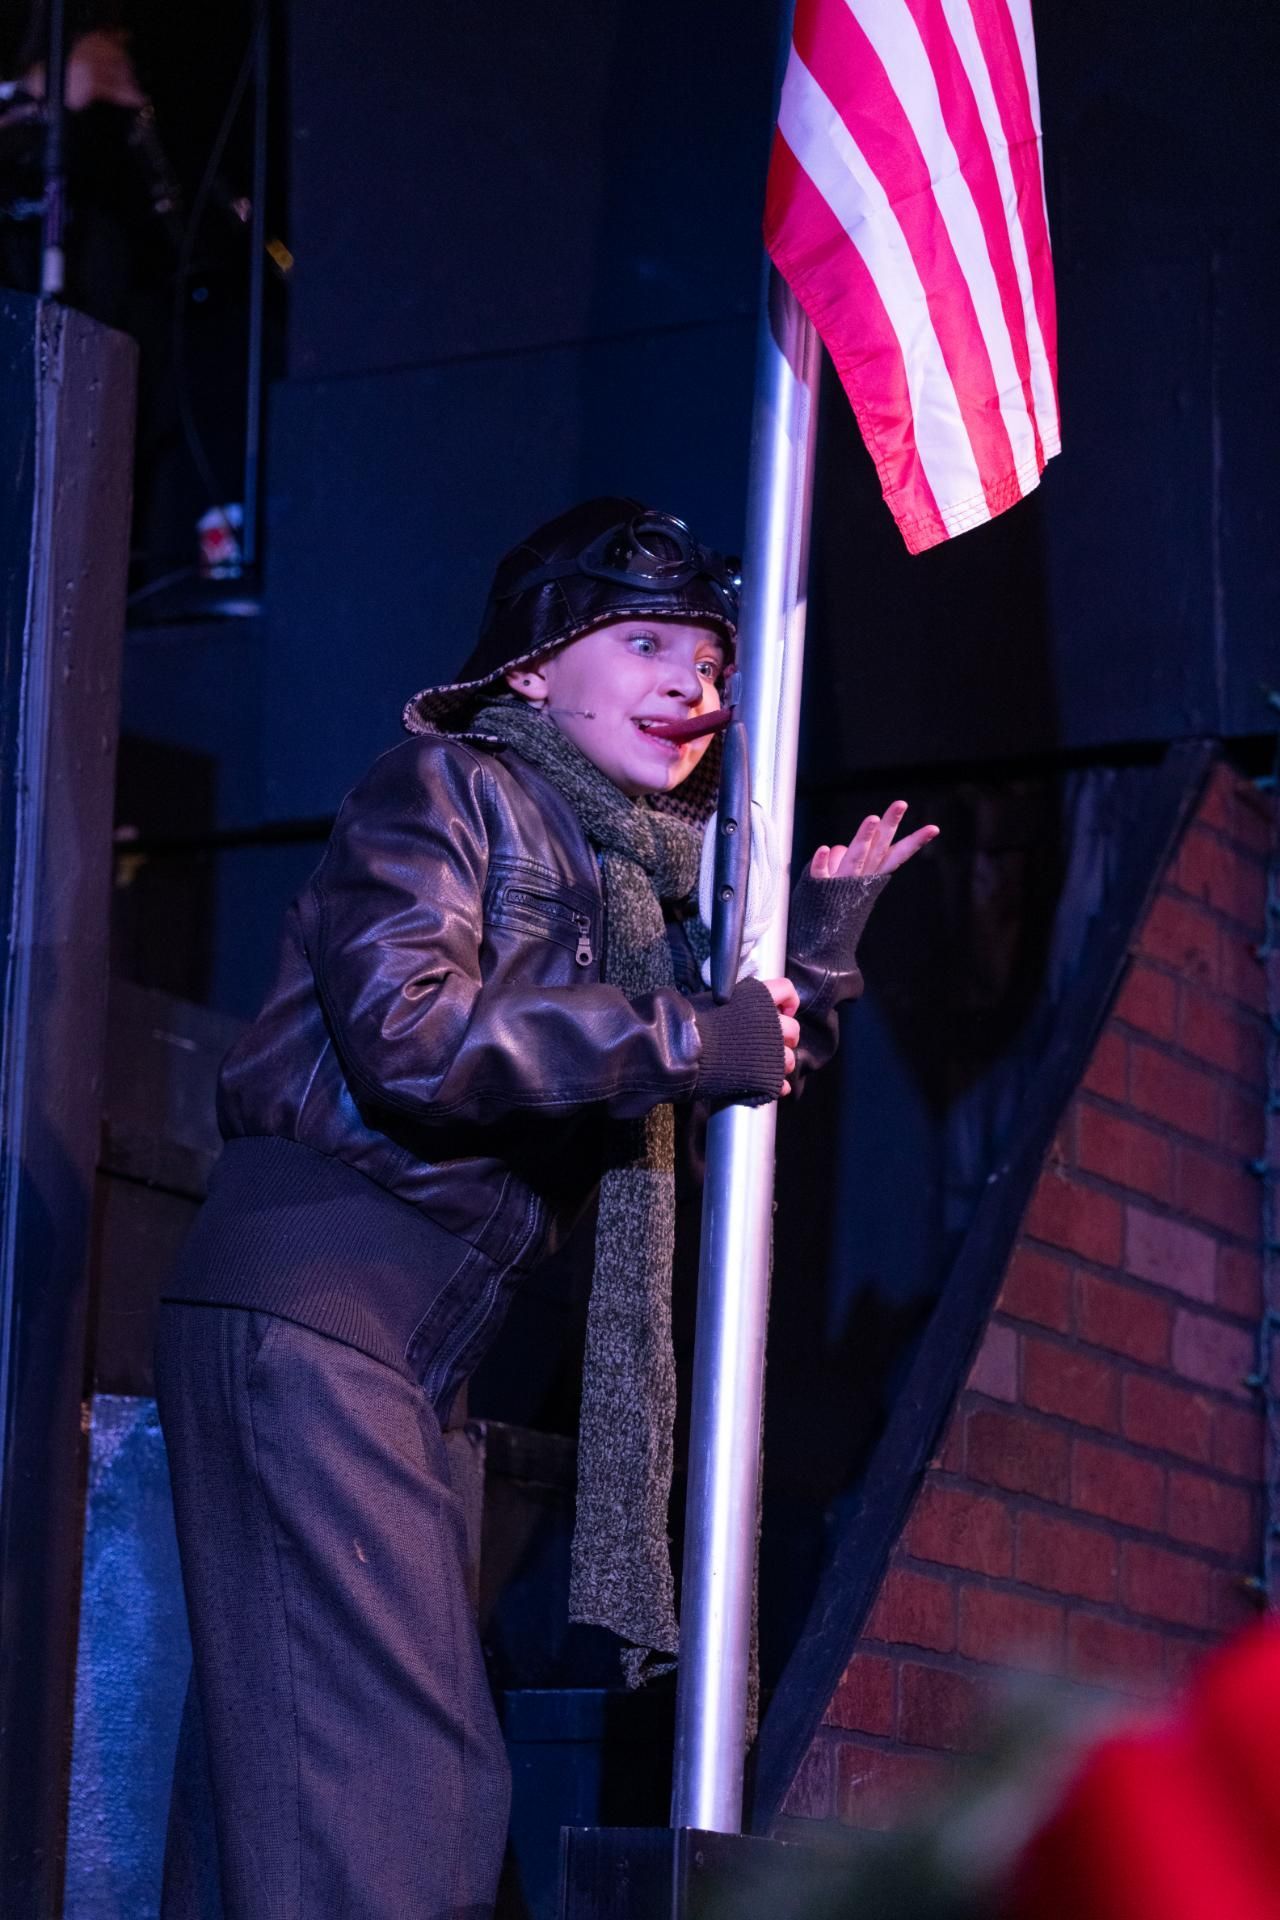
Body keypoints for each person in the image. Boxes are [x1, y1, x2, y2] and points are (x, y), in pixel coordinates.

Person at [153, 495, 939, 1919]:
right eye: (645, 644)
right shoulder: (444, 786)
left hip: (404, 1347)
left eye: (710, 661)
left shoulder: (629, 871)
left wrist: (814, 959)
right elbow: (413, 1031)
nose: (692, 686)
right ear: (529, 668)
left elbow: (723, 1056)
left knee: (294, 1784)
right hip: (323, 1303)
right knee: (399, 1798)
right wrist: (697, 1032)